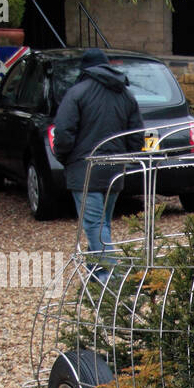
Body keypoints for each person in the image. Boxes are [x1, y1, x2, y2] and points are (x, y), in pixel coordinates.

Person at [52, 48, 144, 277]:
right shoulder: (126, 95)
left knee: (94, 225)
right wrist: (126, 158)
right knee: (103, 223)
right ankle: (96, 273)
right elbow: (137, 135)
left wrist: (65, 158)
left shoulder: (77, 93)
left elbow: (63, 133)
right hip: (114, 168)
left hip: (86, 168)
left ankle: (110, 278)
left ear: (85, 69)